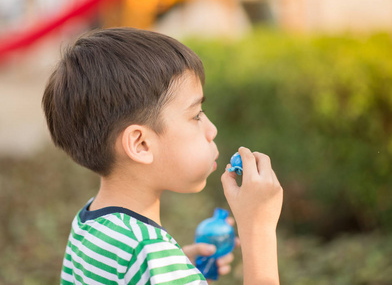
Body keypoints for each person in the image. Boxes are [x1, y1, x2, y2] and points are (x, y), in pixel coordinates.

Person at [42, 27, 283, 284]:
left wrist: (178, 269)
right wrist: (259, 232)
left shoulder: (89, 224)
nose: (212, 129)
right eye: (196, 115)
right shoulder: (149, 254)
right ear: (141, 144)